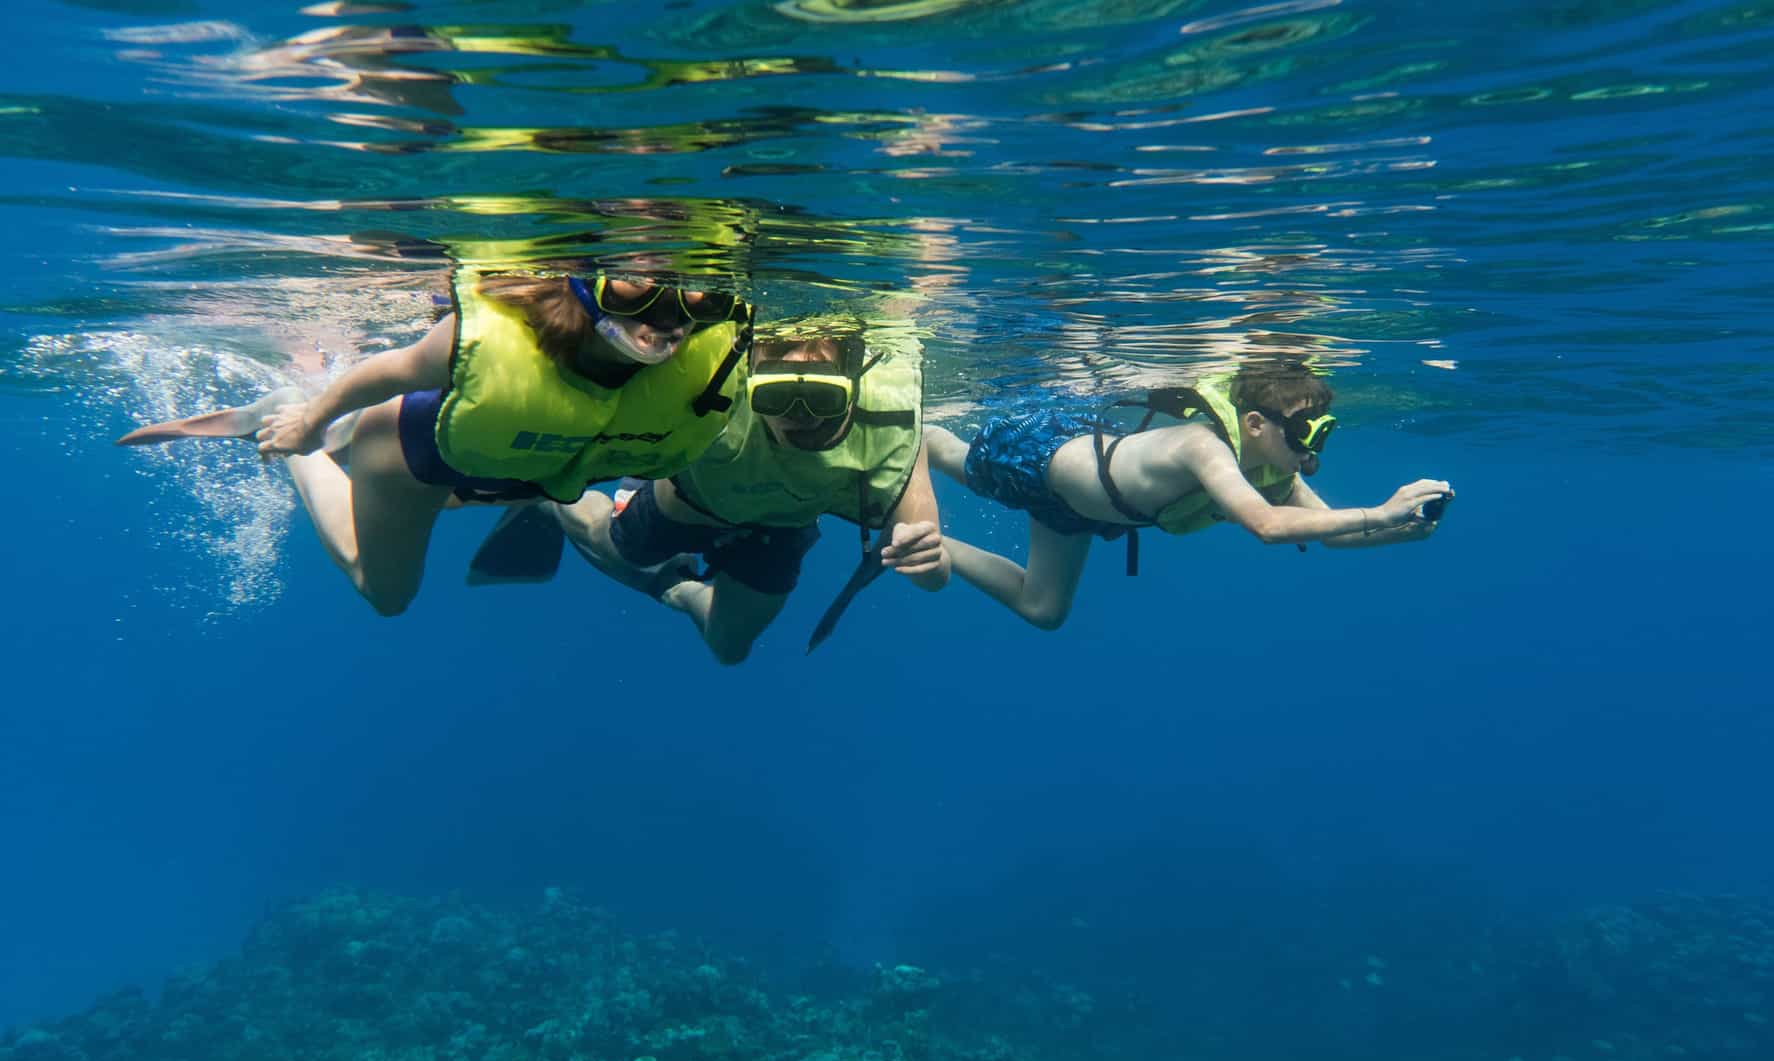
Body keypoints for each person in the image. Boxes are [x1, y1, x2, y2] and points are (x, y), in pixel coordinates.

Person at [118, 270, 753, 616]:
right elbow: (388, 372)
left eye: (699, 297)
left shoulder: (707, 362)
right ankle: (309, 438)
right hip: (404, 460)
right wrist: (310, 420)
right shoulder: (511, 328)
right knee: (387, 597)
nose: (664, 319)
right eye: (638, 286)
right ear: (587, 278)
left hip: (505, 464)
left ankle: (328, 429)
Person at [468, 318, 948, 663]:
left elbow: (934, 577)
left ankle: (674, 587)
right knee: (617, 543)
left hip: (778, 532)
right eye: (777, 397)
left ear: (856, 379)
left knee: (728, 649)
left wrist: (927, 559)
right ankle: (551, 503)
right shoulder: (714, 387)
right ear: (753, 383)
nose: (799, 413)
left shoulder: (891, 420)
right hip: (685, 506)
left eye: (821, 398)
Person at [926, 360, 1453, 630]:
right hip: (1036, 462)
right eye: (1303, 432)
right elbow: (1268, 526)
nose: (1312, 447)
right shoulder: (1202, 447)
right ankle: (920, 433)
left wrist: (1400, 531)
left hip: (1080, 510)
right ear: (1254, 424)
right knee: (950, 457)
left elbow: (1334, 535)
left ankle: (926, 542)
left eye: (1323, 430)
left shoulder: (1271, 471)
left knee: (1043, 611)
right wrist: (1381, 511)